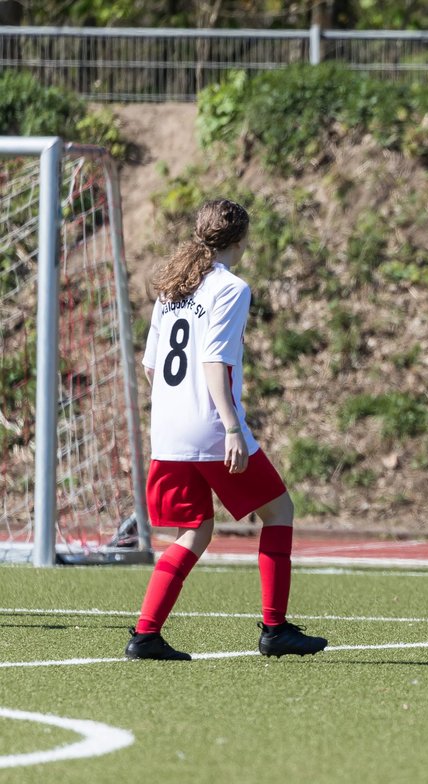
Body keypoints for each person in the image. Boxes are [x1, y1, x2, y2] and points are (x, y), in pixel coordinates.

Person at [125, 199, 327, 661]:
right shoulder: (231, 288)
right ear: (241, 240)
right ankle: (275, 629)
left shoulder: (171, 290)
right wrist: (232, 428)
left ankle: (145, 635)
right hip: (212, 428)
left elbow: (152, 368)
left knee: (194, 530)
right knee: (279, 512)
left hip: (169, 431)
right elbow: (214, 361)